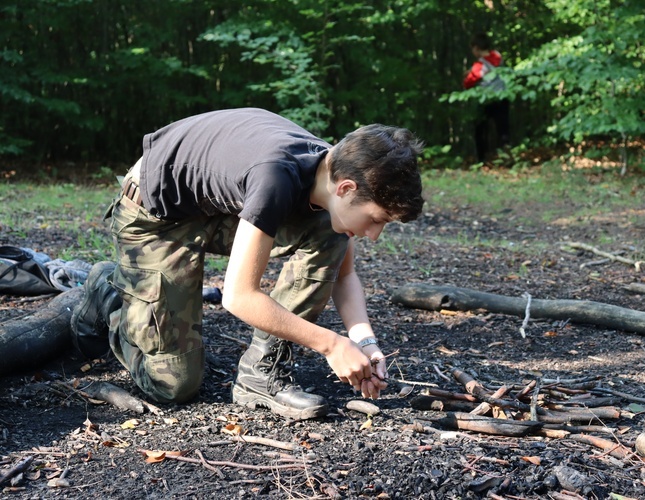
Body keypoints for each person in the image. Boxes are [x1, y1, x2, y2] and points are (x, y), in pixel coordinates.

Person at [69, 108, 424, 420]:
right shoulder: (276, 177)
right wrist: (332, 344)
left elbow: (344, 276)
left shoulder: (329, 173)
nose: (374, 234)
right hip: (156, 213)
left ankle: (261, 374)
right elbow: (238, 297)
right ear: (345, 188)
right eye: (377, 219)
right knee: (172, 385)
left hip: (219, 204)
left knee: (330, 233)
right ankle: (109, 291)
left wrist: (364, 342)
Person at [463, 32, 510, 161]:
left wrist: (468, 74)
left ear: (476, 48)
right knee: (503, 129)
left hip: (486, 100)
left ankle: (482, 159)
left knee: (480, 130)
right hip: (502, 96)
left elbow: (468, 83)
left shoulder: (479, 65)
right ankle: (507, 157)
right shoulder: (498, 56)